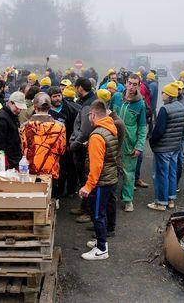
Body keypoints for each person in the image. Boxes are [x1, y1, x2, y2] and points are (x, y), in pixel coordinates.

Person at [79, 100, 119, 261]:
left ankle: (102, 249)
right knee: (104, 211)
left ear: (93, 115)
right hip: (111, 177)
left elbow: (96, 166)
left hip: (101, 182)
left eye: (89, 115)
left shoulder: (97, 135)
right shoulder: (110, 127)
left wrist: (88, 187)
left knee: (97, 215)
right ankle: (99, 241)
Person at [110, 74, 147, 212]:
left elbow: (143, 127)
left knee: (128, 173)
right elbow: (108, 115)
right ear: (125, 83)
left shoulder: (140, 104)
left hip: (129, 143)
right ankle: (110, 198)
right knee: (110, 170)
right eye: (129, 83)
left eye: (135, 84)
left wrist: (139, 146)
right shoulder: (116, 97)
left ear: (139, 85)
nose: (131, 87)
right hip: (112, 140)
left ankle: (128, 200)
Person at [148, 83, 184, 210]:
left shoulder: (165, 109)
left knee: (161, 174)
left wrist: (152, 142)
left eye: (163, 92)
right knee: (171, 173)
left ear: (168, 94)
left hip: (163, 147)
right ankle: (170, 199)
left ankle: (160, 202)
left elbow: (158, 131)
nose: (162, 95)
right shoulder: (181, 107)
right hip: (175, 147)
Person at [68, 77, 98, 222]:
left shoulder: (87, 105)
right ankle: (84, 207)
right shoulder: (92, 99)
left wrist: (73, 145)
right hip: (87, 146)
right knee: (86, 180)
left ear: (80, 88)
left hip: (83, 148)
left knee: (86, 180)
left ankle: (88, 211)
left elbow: (84, 130)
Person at [20, 92, 66, 186]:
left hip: (30, 171)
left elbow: (23, 149)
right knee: (51, 197)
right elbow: (62, 150)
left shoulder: (24, 127)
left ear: (35, 108)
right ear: (49, 108)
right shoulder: (60, 127)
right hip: (51, 170)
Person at [48, 86, 80, 200]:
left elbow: (75, 128)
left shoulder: (70, 109)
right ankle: (58, 191)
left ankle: (71, 190)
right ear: (49, 98)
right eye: (54, 96)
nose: (57, 99)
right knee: (57, 169)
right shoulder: (46, 110)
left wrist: (70, 143)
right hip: (51, 146)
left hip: (67, 145)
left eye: (59, 96)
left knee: (71, 167)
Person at [0, 91, 27, 169]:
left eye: (21, 109)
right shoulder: (1, 119)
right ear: (11, 103)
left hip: (15, 159)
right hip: (9, 163)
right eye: (17, 107)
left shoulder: (13, 115)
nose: (19, 111)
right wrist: (5, 165)